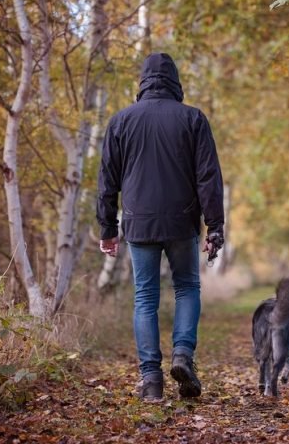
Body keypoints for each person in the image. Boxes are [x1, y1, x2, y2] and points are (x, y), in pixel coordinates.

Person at [96, 53, 224, 401]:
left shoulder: (121, 121)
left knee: (145, 298)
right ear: (175, 80)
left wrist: (108, 226)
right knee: (186, 288)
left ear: (142, 81)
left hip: (138, 223)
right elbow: (208, 177)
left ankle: (151, 380)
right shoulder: (193, 119)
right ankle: (183, 354)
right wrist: (215, 225)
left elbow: (107, 179)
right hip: (182, 221)